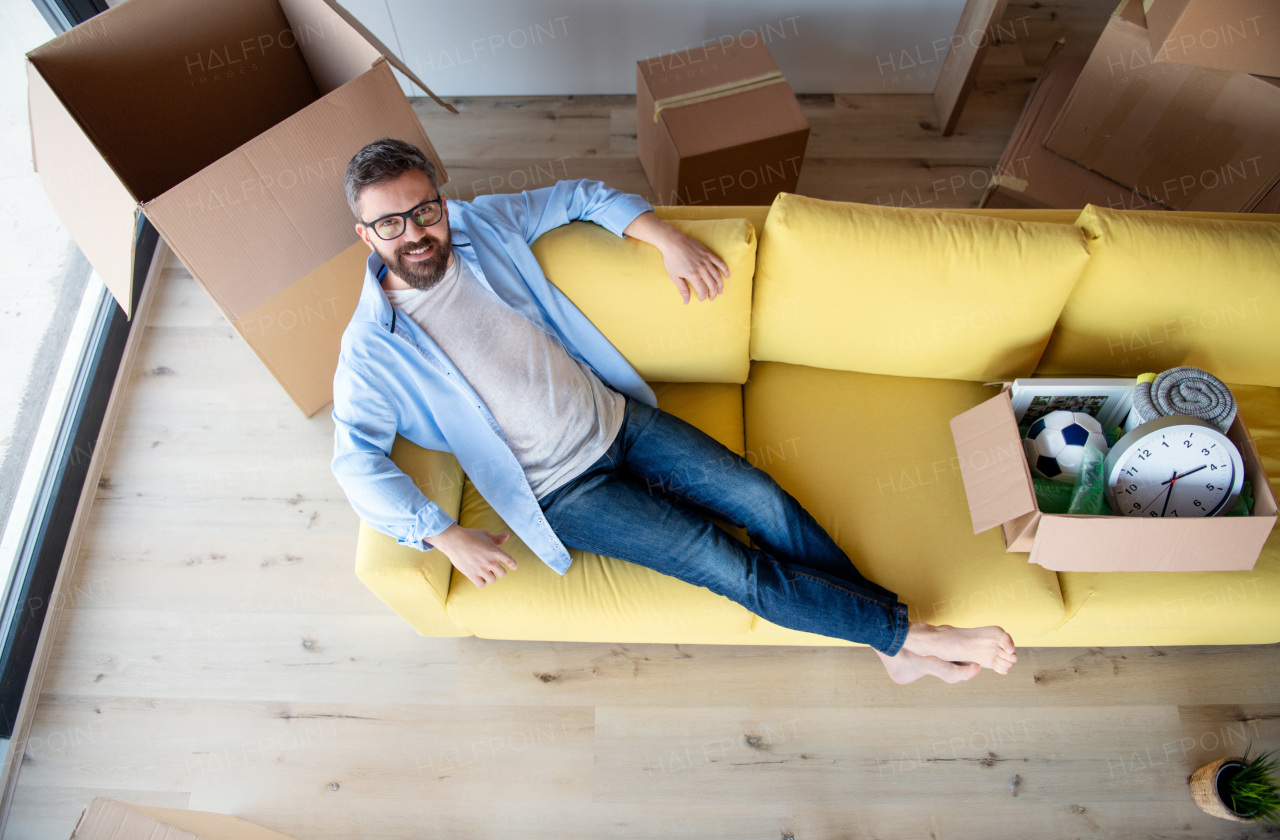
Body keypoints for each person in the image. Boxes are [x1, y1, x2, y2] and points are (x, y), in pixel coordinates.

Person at [331, 138, 1017, 685]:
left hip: (619, 422)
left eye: (425, 211)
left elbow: (580, 194)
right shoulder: (371, 348)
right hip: (563, 492)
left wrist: (663, 237)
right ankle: (906, 637)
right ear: (367, 236)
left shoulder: (483, 225)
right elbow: (354, 458)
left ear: (441, 203)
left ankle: (891, 649)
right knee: (728, 565)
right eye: (391, 223)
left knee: (764, 501)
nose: (415, 233)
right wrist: (440, 533)